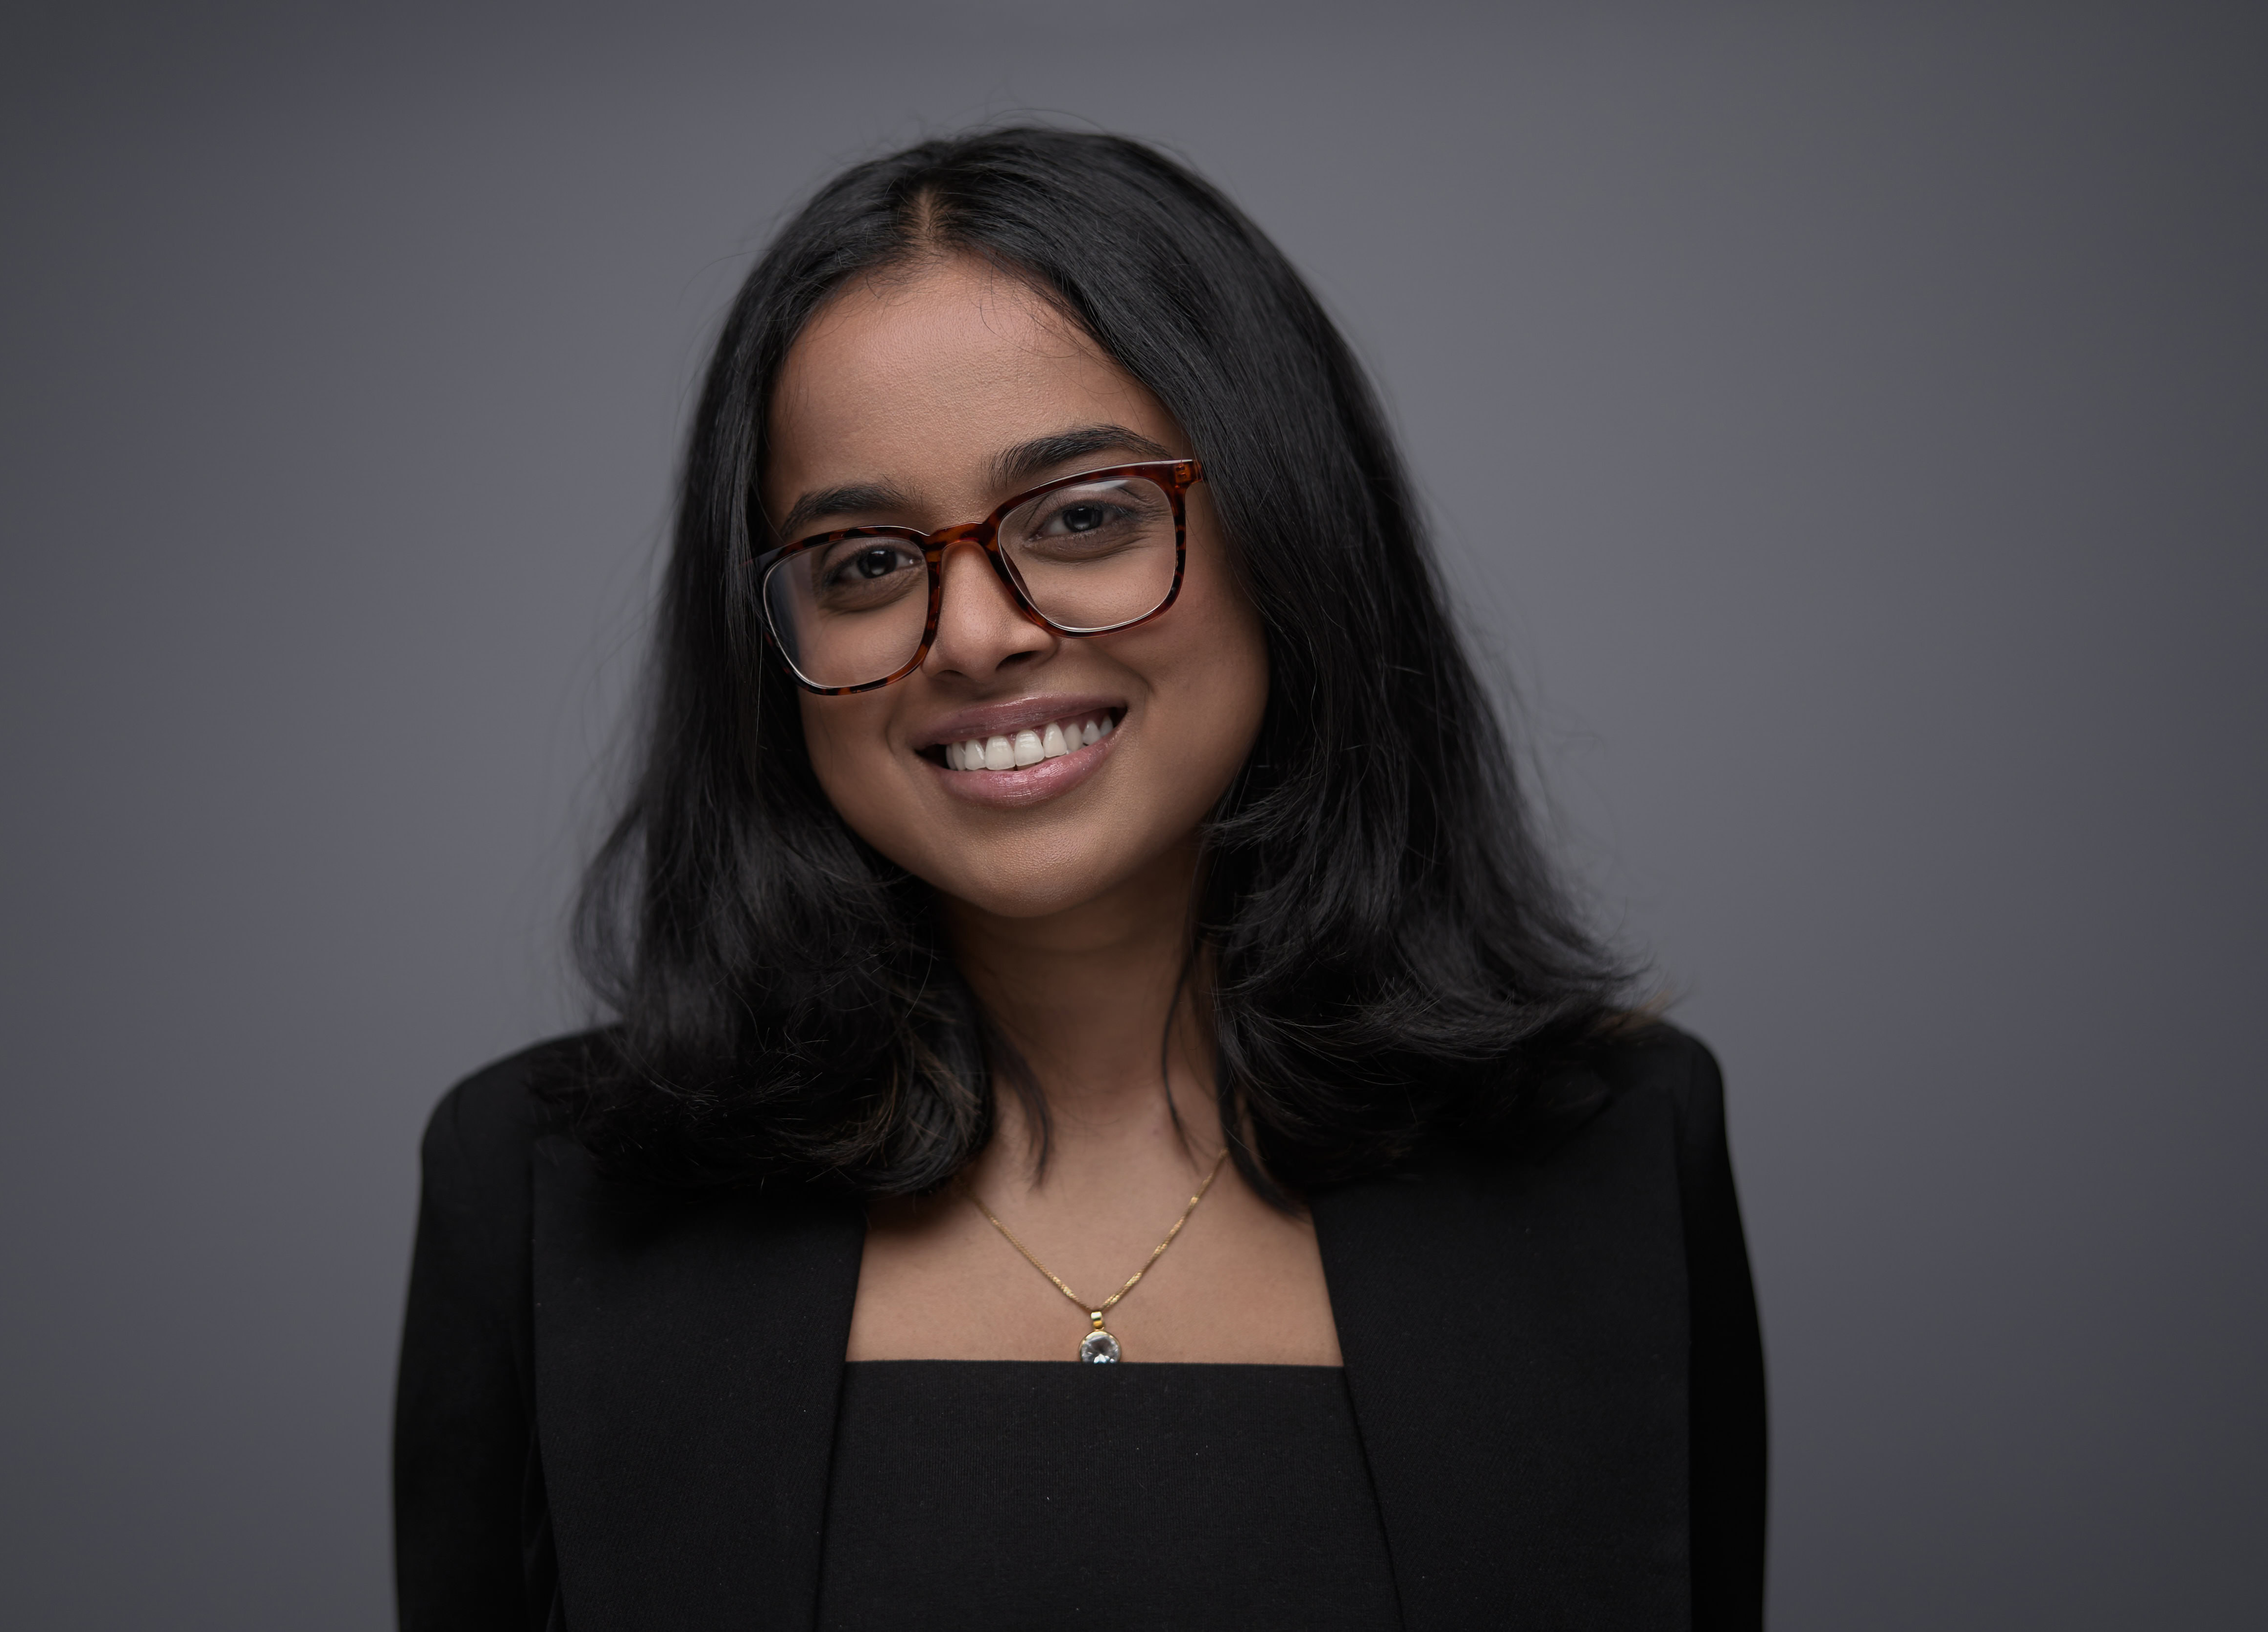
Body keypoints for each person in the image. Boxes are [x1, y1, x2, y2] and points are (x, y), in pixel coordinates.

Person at [393, 126, 1764, 1631]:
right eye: (862, 561)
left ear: (1292, 535)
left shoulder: (1620, 1156)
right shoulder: (539, 1195)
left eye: (1085, 516)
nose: (975, 633)